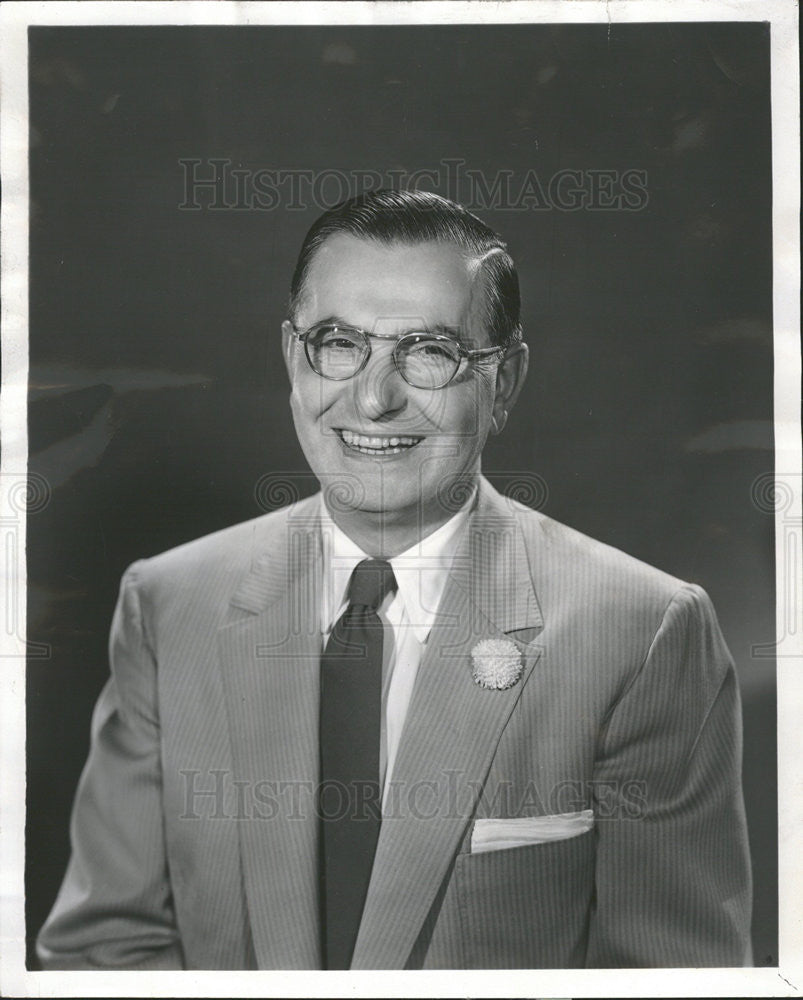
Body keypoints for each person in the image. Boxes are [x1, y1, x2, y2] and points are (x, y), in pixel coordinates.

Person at [37, 189, 752, 970]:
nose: (373, 400)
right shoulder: (169, 604)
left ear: (503, 381)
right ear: (291, 357)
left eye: (429, 352)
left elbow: (673, 983)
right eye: (339, 343)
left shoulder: (639, 631)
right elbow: (105, 953)